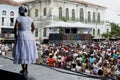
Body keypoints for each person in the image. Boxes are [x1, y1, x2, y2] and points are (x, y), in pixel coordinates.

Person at [13, 5, 38, 75]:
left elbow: (15, 28)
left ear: (20, 11)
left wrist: (15, 35)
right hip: (30, 36)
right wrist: (29, 33)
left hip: (22, 36)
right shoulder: (30, 18)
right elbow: (33, 28)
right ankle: (26, 69)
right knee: (27, 52)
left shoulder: (18, 18)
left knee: (21, 51)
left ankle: (23, 69)